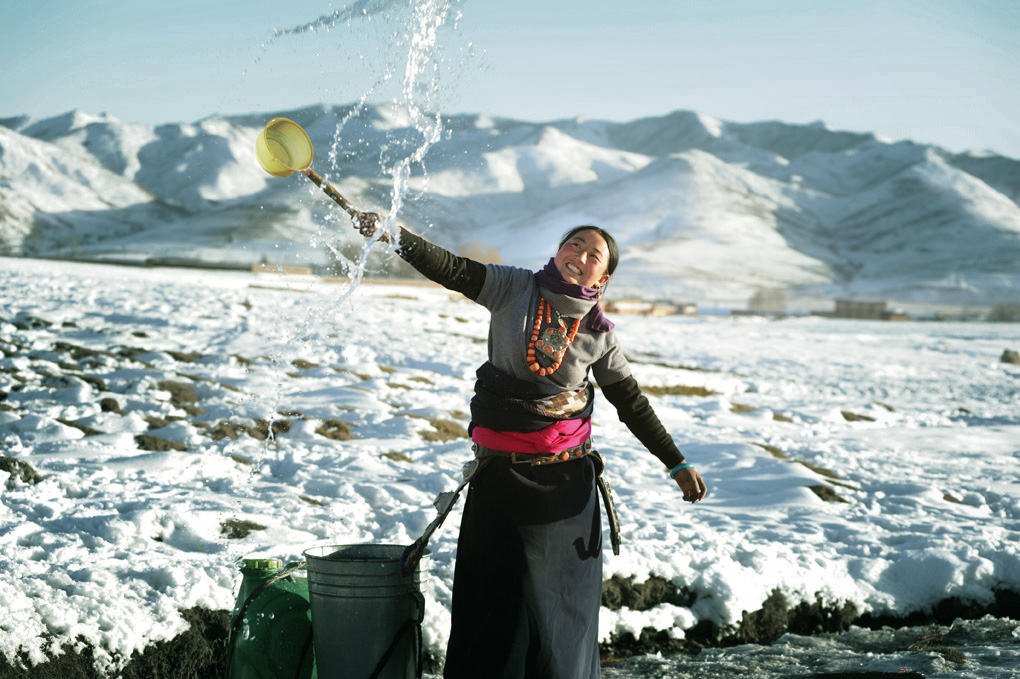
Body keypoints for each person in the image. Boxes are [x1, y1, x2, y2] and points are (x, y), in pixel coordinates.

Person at [354, 214, 707, 679]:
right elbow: (452, 269)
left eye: (592, 255)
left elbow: (632, 403)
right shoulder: (513, 288)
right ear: (558, 250)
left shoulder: (600, 335)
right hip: (502, 479)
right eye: (573, 245)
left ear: (603, 277)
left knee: (560, 617)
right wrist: (394, 235)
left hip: (565, 491)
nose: (579, 256)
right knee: (499, 608)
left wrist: (675, 462)